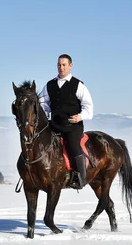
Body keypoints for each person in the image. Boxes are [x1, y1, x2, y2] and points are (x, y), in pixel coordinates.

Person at [38, 54, 94, 189]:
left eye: (64, 65)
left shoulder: (78, 85)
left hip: (72, 125)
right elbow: (42, 103)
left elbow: (89, 106)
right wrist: (44, 113)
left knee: (74, 145)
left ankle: (80, 177)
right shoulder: (49, 85)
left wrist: (80, 116)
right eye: (59, 65)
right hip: (54, 124)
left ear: (70, 66)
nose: (61, 68)